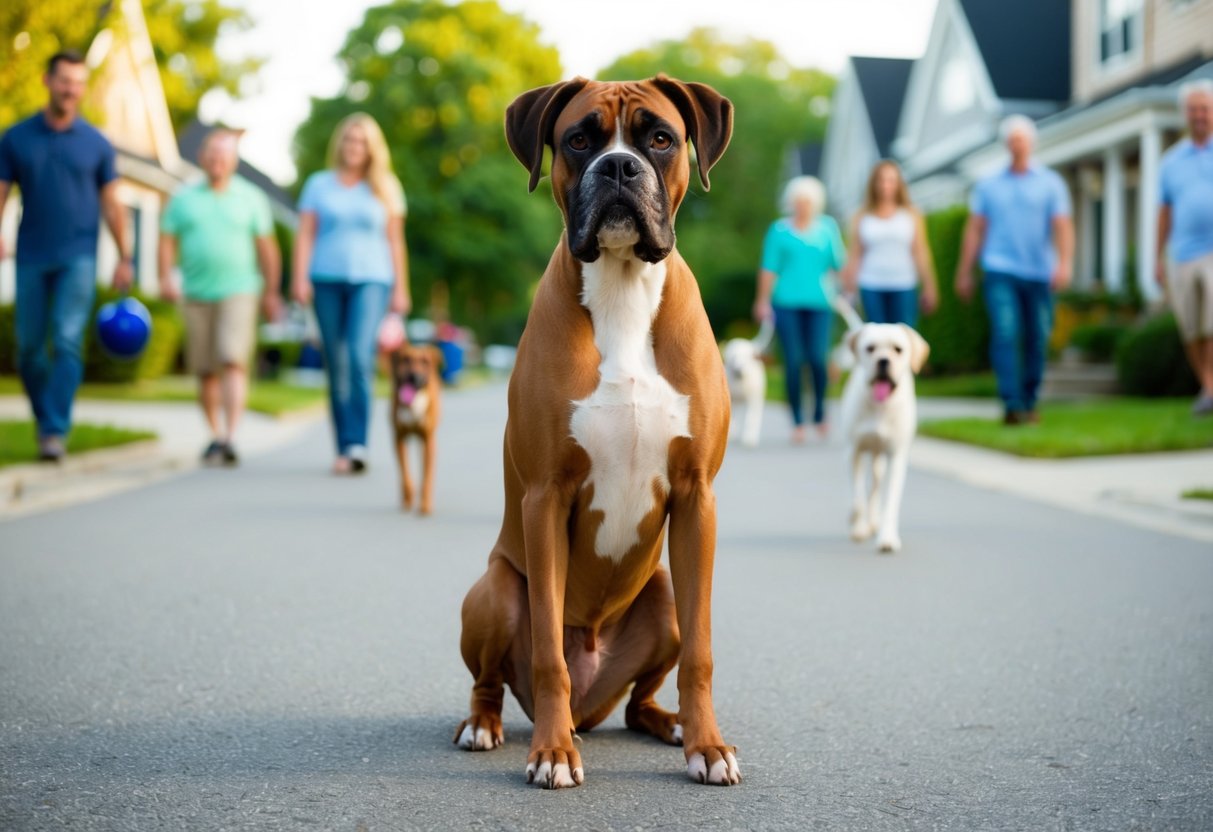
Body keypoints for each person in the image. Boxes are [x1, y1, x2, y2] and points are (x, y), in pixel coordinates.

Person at [0, 50, 133, 462]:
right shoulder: (16, 137)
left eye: (78, 82)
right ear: (47, 81)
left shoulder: (96, 143)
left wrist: (125, 255)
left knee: (68, 339)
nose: (71, 89)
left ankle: (54, 430)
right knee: (28, 349)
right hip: (32, 254)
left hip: (80, 255)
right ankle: (46, 419)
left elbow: (112, 203)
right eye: (64, 81)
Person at [291, 113, 410, 474]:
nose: (354, 147)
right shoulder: (318, 184)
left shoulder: (386, 186)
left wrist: (401, 288)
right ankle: (343, 447)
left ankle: (358, 443)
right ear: (339, 145)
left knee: (358, 356)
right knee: (336, 362)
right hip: (325, 279)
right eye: (349, 140)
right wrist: (298, 277)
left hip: (372, 280)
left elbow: (395, 240)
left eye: (361, 142)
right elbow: (306, 234)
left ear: (372, 148)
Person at [158, 128, 281, 466]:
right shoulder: (183, 197)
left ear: (234, 161)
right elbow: (166, 240)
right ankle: (214, 434)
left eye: (224, 156)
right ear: (201, 157)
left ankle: (230, 436)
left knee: (231, 358)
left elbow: (267, 249)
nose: (217, 161)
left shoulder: (251, 198)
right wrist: (165, 276)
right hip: (196, 292)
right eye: (212, 154)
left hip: (240, 290)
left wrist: (272, 291)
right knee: (205, 369)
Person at [955, 115, 1073, 426]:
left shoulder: (1050, 182)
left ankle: (1029, 400)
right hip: (999, 268)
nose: (1017, 145)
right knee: (1006, 333)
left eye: (1022, 139)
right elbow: (975, 229)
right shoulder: (989, 184)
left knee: (1037, 337)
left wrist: (1065, 263)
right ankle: (1011, 402)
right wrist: (964, 271)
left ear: (1031, 143)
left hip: (1038, 272)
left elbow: (1062, 226)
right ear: (1006, 145)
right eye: (1012, 140)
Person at [753, 176, 846, 443]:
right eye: (798, 201)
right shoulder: (779, 231)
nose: (803, 206)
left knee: (817, 359)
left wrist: (847, 289)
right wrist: (762, 300)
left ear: (816, 203)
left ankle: (818, 412)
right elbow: (769, 268)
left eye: (808, 201)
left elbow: (838, 264)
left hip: (820, 303)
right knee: (794, 361)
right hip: (786, 303)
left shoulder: (827, 228)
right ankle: (796, 420)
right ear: (791, 203)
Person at [1156, 79, 1213, 415]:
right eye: (1193, 109)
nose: (1200, 115)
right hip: (1183, 253)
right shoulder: (1171, 162)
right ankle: (1208, 386)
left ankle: (1210, 388)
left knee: (1212, 323)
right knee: (1191, 328)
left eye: (1205, 108)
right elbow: (1164, 213)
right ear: (1184, 115)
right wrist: (1156, 256)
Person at [841, 160, 938, 326]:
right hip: (871, 283)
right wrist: (849, 289)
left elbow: (920, 251)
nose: (885, 185)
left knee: (904, 335)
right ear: (874, 184)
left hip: (904, 283)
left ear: (898, 184)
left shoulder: (911, 214)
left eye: (890, 180)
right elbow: (855, 254)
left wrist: (929, 285)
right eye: (881, 180)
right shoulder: (861, 216)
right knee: (875, 334)